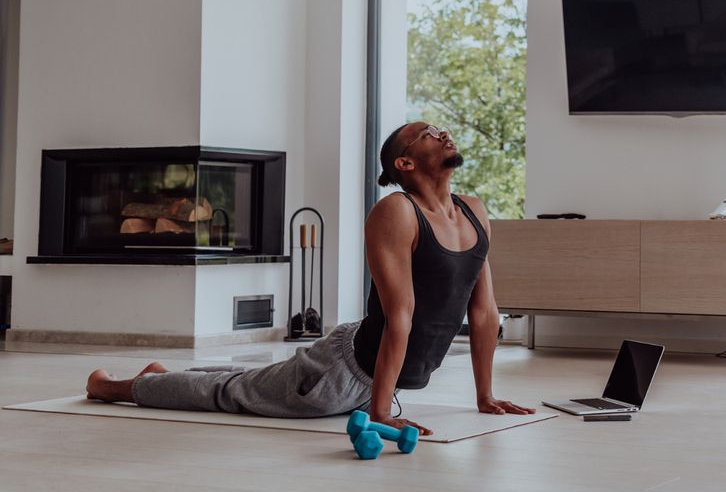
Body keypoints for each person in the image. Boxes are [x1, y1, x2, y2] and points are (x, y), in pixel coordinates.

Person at [85, 121, 535, 435]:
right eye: (427, 133)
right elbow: (400, 316)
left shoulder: (473, 210)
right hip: (344, 375)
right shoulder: (396, 212)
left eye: (439, 129)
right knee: (236, 392)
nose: (441, 133)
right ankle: (111, 387)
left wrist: (485, 395)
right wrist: (380, 412)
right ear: (405, 164)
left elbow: (484, 312)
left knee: (261, 379)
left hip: (375, 372)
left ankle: (162, 375)